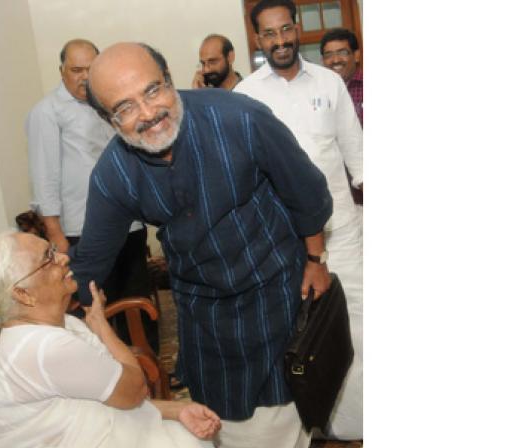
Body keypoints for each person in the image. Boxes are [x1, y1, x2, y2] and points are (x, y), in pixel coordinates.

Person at [75, 41, 334, 448]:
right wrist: (55, 319)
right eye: (124, 108)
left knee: (282, 411)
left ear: (171, 81)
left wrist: (315, 259)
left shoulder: (239, 117)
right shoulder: (114, 174)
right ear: (108, 121)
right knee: (215, 415)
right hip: (202, 306)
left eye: (152, 91)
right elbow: (92, 260)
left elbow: (307, 191)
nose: (148, 114)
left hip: (275, 283)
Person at [233, 0, 363, 440]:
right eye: (269, 34)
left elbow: (357, 153)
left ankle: (359, 423)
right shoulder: (246, 96)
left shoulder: (330, 82)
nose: (281, 40)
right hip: (284, 240)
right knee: (300, 334)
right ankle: (314, 424)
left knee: (358, 323)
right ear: (257, 39)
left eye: (286, 30)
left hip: (340, 229)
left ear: (297, 29)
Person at [0, 231, 221, 448]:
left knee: (187, 437)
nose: (64, 258)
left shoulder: (62, 325)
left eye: (54, 250)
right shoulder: (44, 347)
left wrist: (178, 410)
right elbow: (134, 389)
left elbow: (108, 397)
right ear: (23, 294)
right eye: (48, 258)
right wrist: (102, 327)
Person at [25, 39, 157, 349]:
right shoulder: (47, 112)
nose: (84, 77)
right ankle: (109, 377)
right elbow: (44, 176)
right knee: (97, 305)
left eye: (91, 69)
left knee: (136, 298)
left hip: (128, 224)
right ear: (61, 71)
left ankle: (148, 368)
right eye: (76, 70)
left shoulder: (109, 103)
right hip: (81, 230)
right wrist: (55, 232)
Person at [320, 28, 362, 126]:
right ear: (322, 60)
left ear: (356, 55)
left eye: (342, 53)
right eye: (329, 55)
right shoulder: (318, 90)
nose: (335, 60)